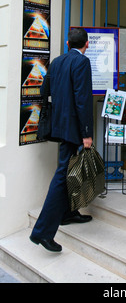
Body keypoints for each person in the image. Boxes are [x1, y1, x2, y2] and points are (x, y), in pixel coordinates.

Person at [30, 28, 94, 252]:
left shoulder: (56, 62)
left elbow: (44, 89)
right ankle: (42, 233)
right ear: (87, 44)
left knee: (68, 172)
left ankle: (67, 213)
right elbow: (83, 100)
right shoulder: (82, 63)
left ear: (68, 43)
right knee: (62, 176)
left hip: (60, 126)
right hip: (74, 129)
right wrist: (87, 133)